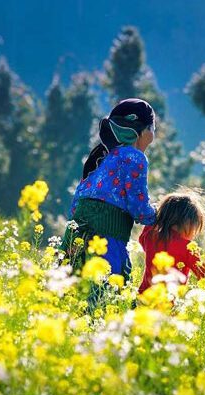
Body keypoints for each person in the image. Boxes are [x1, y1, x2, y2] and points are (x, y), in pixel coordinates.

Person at [61, 98, 157, 284]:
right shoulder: (135, 157)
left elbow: (78, 199)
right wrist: (155, 215)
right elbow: (138, 207)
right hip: (108, 234)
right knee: (104, 290)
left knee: (68, 287)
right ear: (141, 131)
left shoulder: (101, 156)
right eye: (152, 128)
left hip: (76, 231)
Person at [138, 190, 205, 293]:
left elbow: (143, 236)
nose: (194, 233)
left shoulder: (151, 236)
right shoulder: (189, 248)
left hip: (144, 297)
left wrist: (156, 213)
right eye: (194, 227)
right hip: (169, 300)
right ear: (187, 223)